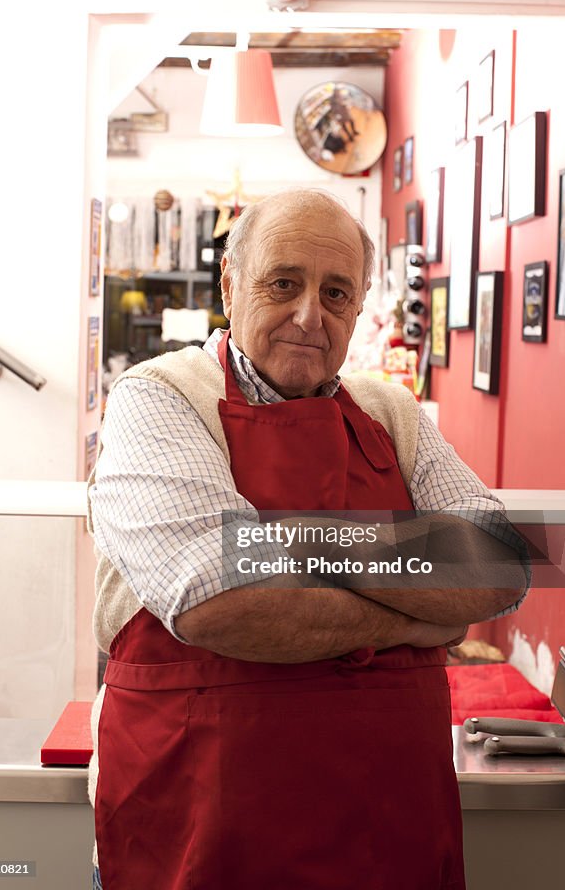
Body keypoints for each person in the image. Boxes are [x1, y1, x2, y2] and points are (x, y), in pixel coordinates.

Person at [87, 188, 529, 890]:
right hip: (198, 832)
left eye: (335, 293)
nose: (307, 316)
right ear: (230, 284)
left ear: (357, 308)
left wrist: (290, 537)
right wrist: (420, 618)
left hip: (390, 832)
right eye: (283, 283)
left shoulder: (391, 412)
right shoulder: (161, 398)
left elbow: (499, 561)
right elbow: (217, 600)